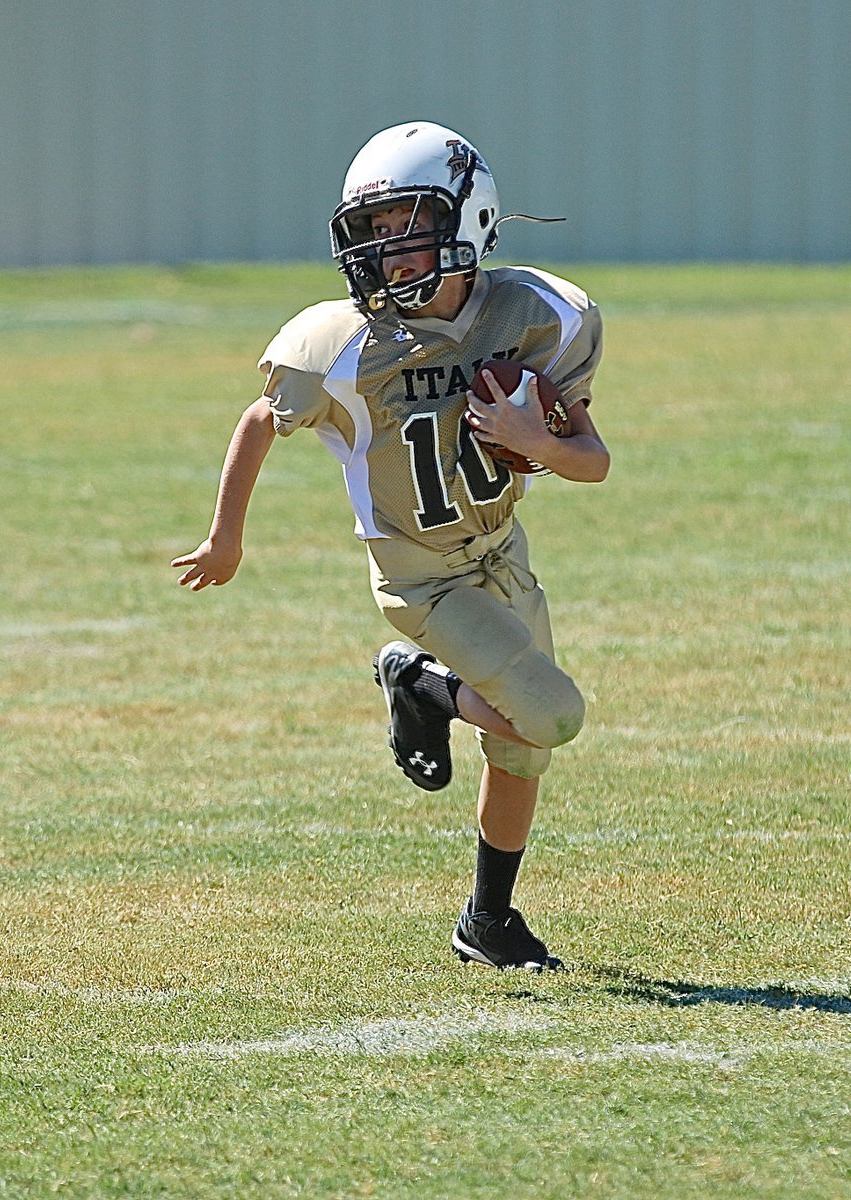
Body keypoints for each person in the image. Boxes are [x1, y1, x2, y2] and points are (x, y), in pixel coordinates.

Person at [172, 121, 609, 971]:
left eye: (406, 224)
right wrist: (226, 537)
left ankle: (488, 923)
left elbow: (589, 460)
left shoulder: (537, 316)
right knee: (552, 716)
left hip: (500, 553)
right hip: (421, 578)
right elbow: (263, 418)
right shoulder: (341, 343)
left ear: (466, 219)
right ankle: (420, 684)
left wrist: (539, 439)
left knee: (520, 751)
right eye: (374, 231)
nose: (388, 250)